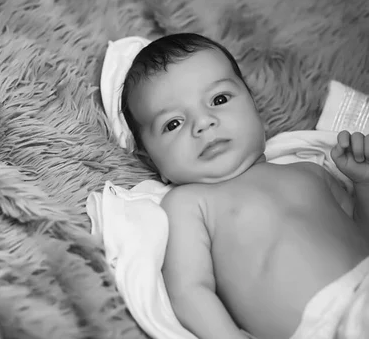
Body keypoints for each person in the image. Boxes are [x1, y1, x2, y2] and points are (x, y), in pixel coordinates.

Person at [120, 33, 369, 339]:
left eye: (219, 100)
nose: (204, 123)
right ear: (151, 159)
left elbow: (362, 233)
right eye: (173, 124)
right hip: (330, 325)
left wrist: (363, 183)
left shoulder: (310, 171)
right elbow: (189, 290)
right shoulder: (190, 203)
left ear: (254, 105)